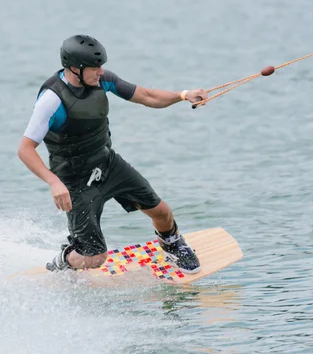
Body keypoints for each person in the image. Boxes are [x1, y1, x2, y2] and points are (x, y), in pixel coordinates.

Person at [18, 34, 208, 274]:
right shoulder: (51, 100)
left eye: (101, 67)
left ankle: (171, 243)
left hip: (107, 163)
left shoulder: (102, 80)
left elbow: (147, 96)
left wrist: (182, 95)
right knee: (95, 257)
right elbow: (25, 149)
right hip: (75, 181)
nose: (101, 72)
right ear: (75, 69)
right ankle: (65, 259)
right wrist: (54, 182)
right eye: (95, 68)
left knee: (162, 212)